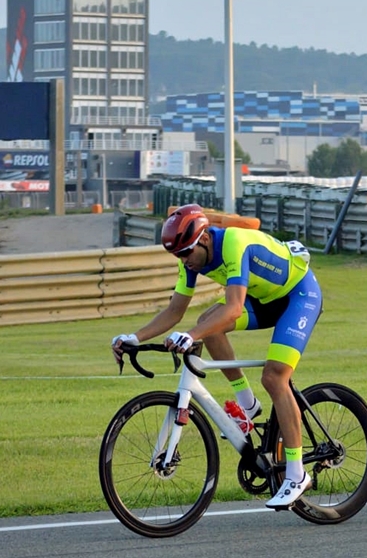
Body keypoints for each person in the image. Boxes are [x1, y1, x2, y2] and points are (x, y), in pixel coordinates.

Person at [111, 204, 322, 508]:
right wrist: (135, 337)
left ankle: (296, 473)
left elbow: (234, 308)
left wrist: (191, 335)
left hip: (298, 295)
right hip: (266, 299)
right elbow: (175, 310)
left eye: (186, 254)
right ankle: (248, 405)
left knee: (275, 377)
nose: (184, 262)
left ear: (205, 239)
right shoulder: (190, 258)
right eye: (178, 256)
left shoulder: (234, 243)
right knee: (208, 324)